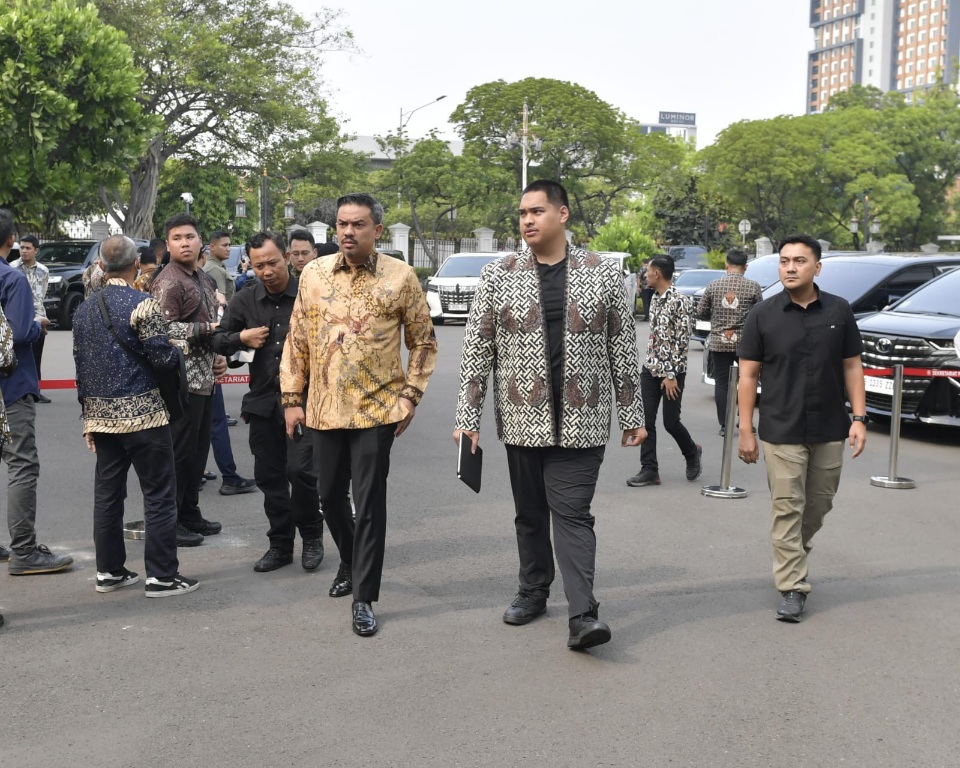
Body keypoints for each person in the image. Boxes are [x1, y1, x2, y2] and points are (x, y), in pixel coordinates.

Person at [453, 180, 646, 651]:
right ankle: (533, 589)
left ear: (562, 214)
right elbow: (478, 350)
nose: (527, 221)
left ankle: (583, 615)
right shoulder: (499, 275)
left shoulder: (601, 274)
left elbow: (622, 346)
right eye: (522, 213)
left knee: (573, 514)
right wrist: (468, 415)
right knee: (531, 514)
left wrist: (632, 413)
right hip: (521, 416)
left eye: (536, 211)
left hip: (584, 418)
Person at [281, 192, 437, 637]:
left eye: (358, 224)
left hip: (377, 409)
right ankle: (349, 559)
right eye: (342, 224)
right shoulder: (312, 274)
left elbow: (423, 341)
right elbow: (297, 342)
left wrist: (410, 396)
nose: (348, 232)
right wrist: (291, 399)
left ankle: (364, 596)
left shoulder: (401, 277)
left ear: (377, 231)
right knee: (328, 495)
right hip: (324, 408)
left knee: (368, 502)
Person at [737, 234, 867, 623]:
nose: (790, 268)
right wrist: (747, 429)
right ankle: (793, 586)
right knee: (787, 507)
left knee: (819, 504)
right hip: (781, 427)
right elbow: (748, 376)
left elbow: (852, 367)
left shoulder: (840, 311)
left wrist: (858, 418)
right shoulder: (762, 314)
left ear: (817, 267)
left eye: (798, 261)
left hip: (830, 426)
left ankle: (791, 551)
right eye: (784, 261)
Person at [72, 235, 200, 598]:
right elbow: (161, 359)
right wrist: (179, 348)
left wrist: (88, 419)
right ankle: (161, 576)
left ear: (101, 264)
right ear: (135, 264)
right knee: (158, 495)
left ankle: (109, 571)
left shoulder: (83, 310)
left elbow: (81, 366)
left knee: (108, 496)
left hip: (100, 416)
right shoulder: (143, 304)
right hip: (145, 415)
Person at [213, 231, 325, 572]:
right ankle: (280, 544)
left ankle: (312, 537)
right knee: (269, 475)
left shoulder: (311, 295)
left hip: (304, 402)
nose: (267, 271)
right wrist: (240, 337)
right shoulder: (245, 300)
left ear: (287, 258)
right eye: (259, 265)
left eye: (273, 262)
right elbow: (218, 341)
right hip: (262, 403)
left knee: (301, 471)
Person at [0, 209, 73, 574]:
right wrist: (38, 323)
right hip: (11, 385)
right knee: (21, 464)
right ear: (12, 241)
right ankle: (24, 551)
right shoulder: (11, 280)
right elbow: (20, 334)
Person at [151, 213, 226, 547]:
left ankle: (191, 512)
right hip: (180, 383)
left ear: (200, 243)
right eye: (177, 238)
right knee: (180, 454)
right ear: (168, 245)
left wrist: (219, 352)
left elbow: (211, 320)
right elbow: (158, 331)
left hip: (206, 378)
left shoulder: (203, 279)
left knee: (198, 452)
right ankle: (174, 520)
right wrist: (205, 331)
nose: (184, 242)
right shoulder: (169, 281)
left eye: (190, 237)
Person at [626, 254, 701, 488]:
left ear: (657, 273)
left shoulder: (681, 301)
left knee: (671, 422)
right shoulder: (656, 299)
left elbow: (680, 342)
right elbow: (657, 338)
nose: (645, 275)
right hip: (650, 369)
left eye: (648, 271)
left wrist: (670, 375)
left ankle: (691, 452)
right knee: (646, 421)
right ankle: (649, 470)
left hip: (672, 374)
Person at [696, 248, 763, 434]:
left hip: (719, 343)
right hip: (746, 343)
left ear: (727, 265)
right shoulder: (753, 286)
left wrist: (716, 318)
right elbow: (760, 315)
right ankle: (745, 422)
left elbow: (701, 312)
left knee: (722, 383)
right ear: (746, 267)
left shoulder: (713, 285)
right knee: (747, 381)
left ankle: (725, 424)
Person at [9, 236, 51, 403]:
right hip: (18, 318)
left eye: (28, 248)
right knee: (17, 355)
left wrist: (43, 319)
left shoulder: (43, 270)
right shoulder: (12, 268)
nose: (24, 251)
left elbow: (41, 296)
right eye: (22, 248)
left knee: (36, 356)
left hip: (38, 318)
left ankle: (36, 390)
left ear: (36, 250)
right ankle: (17, 390)